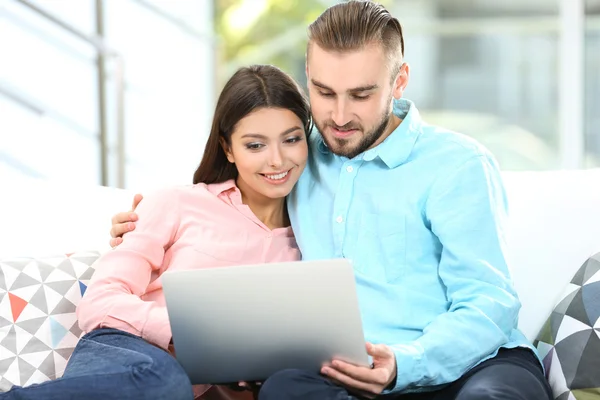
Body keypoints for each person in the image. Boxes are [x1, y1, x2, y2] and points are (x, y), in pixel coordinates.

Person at [111, 2, 554, 400]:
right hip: (343, 374)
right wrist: (142, 225)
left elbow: (489, 302)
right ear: (308, 80)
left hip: (470, 366)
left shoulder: (458, 165)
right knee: (284, 389)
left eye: (361, 95)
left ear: (399, 80)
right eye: (324, 93)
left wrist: (406, 363)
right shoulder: (295, 156)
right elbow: (226, 200)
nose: (339, 117)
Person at [0, 64, 312, 400]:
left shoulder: (314, 240)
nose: (277, 160)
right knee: (164, 381)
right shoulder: (176, 202)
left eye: (291, 139)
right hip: (126, 351)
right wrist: (183, 331)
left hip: (195, 386)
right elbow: (99, 303)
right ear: (228, 148)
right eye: (255, 145)